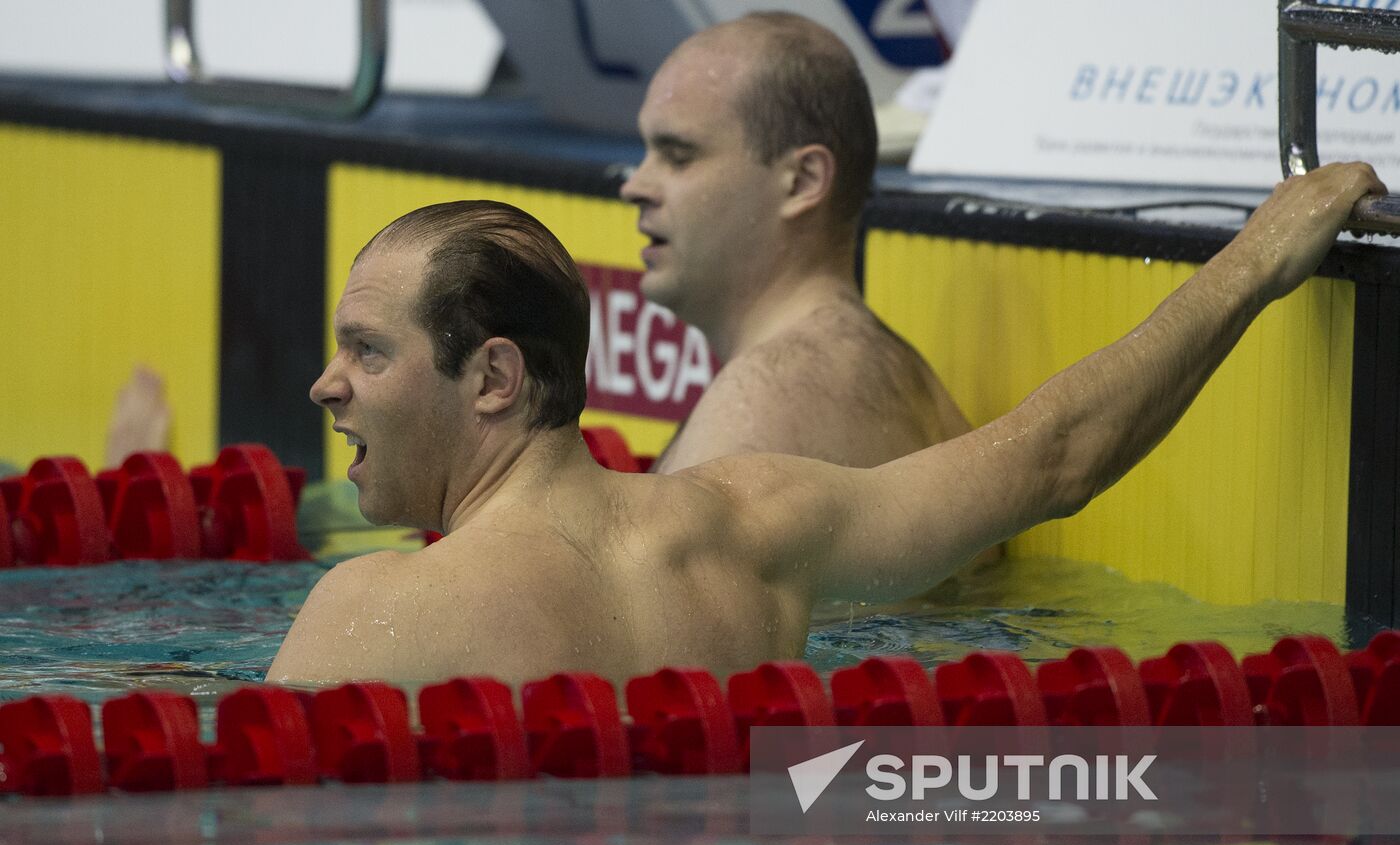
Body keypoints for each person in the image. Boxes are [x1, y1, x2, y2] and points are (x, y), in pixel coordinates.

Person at [266, 162, 1386, 686]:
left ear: (495, 377)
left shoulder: (375, 611)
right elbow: (1055, 452)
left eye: (366, 349)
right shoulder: (758, 523)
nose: (326, 385)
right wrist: (1251, 262)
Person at [620, 13, 974, 473]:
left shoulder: (767, 399)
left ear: (802, 181)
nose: (635, 186)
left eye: (679, 156)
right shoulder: (898, 381)